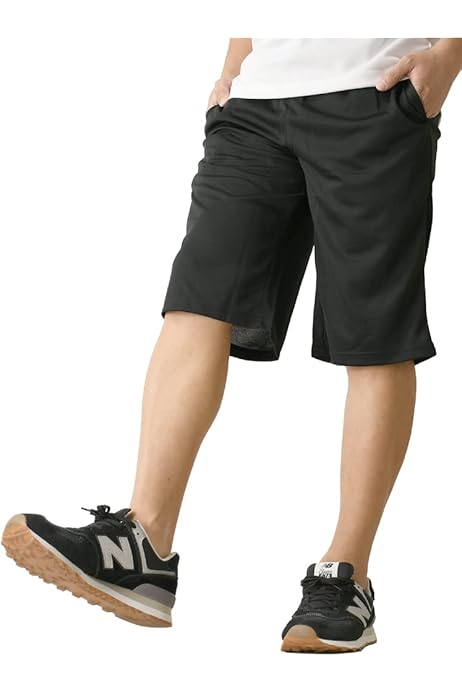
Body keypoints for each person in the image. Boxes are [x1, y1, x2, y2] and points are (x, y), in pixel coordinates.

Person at [2, 38, 461, 653]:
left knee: (373, 333)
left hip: (376, 91)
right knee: (197, 298)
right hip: (255, 102)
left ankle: (345, 574)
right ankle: (144, 542)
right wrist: (232, 67)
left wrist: (449, 56)